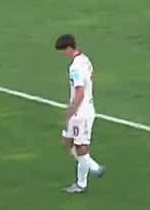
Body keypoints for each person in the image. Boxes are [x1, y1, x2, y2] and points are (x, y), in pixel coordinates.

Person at [56, 34, 106, 194]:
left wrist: (71, 111)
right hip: (83, 110)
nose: (63, 54)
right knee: (67, 142)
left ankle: (86, 178)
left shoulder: (75, 67)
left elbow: (80, 92)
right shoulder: (85, 59)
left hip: (81, 112)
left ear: (69, 48)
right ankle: (92, 167)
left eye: (63, 50)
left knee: (81, 148)